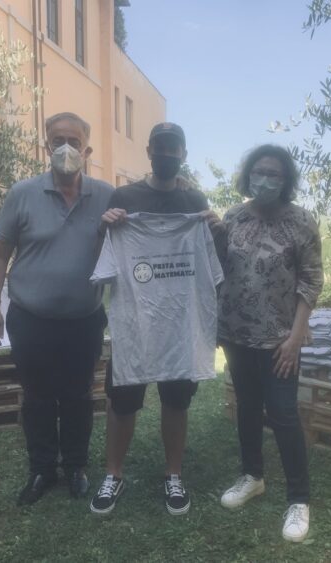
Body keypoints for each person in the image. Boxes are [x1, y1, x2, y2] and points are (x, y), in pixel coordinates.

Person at [90, 122, 225, 516]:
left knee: (177, 401)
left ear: (183, 153)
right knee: (122, 401)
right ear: (149, 151)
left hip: (180, 325)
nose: (166, 154)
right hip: (135, 323)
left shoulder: (194, 200)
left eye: (173, 148)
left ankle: (174, 474)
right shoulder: (125, 197)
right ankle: (113, 474)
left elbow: (215, 264)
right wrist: (105, 227)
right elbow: (102, 259)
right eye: (160, 147)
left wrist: (216, 231)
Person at [0, 112, 113, 506]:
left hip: (83, 319)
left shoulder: (106, 196)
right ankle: (41, 469)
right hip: (31, 318)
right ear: (46, 146)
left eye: (74, 141)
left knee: (78, 396)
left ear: (87, 150)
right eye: (58, 141)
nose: (65, 148)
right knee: (37, 396)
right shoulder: (22, 193)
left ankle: (75, 466)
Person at [216, 144, 323, 542]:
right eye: (259, 172)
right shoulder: (234, 217)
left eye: (274, 174)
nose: (265, 179)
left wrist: (296, 337)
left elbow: (310, 281)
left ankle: (299, 499)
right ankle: (253, 476)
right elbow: (219, 268)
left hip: (280, 340)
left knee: (283, 413)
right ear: (249, 176)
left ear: (285, 180)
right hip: (236, 334)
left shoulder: (301, 221)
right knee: (247, 406)